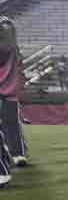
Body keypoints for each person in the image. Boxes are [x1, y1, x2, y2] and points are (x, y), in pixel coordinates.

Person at [0, 16, 23, 186]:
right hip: (8, 86)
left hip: (8, 87)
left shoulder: (5, 25)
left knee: (12, 122)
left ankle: (15, 154)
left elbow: (7, 49)